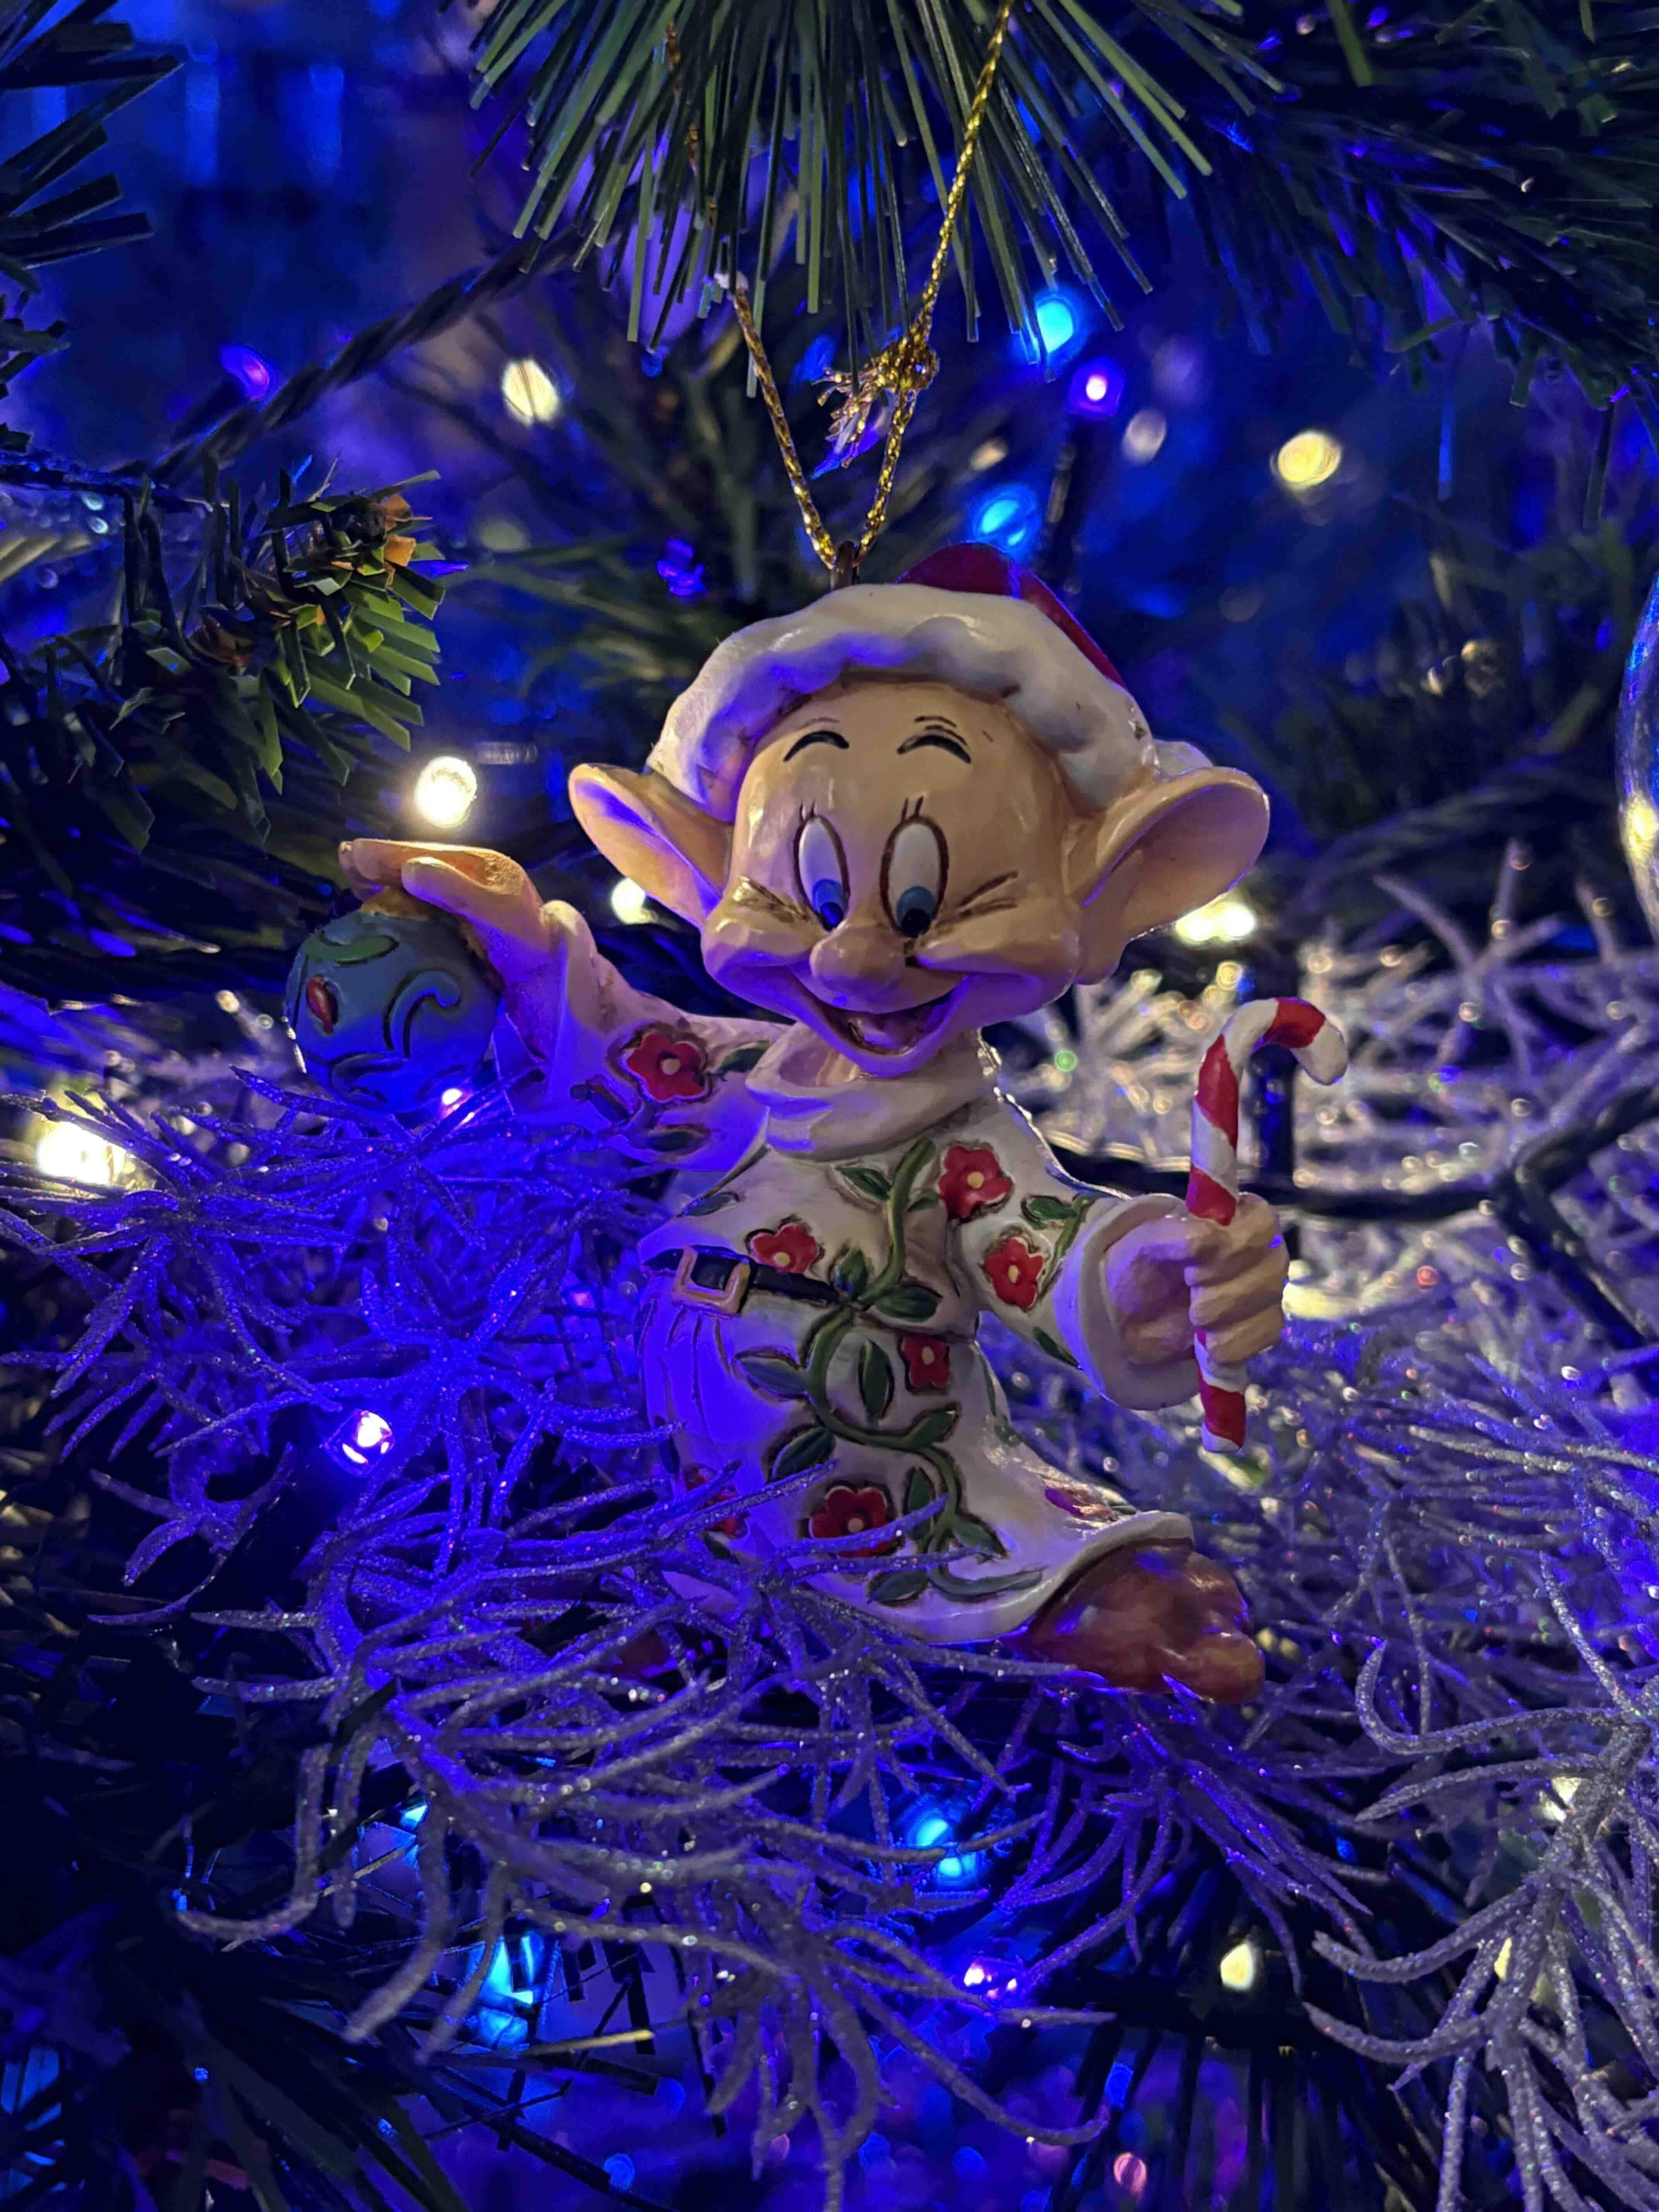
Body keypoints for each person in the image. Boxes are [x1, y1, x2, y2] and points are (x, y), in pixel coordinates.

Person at [342, 545, 1286, 1700]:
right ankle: (688, 1622)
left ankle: (1100, 1613)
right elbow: (629, 1055)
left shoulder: (960, 1154)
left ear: (1096, 893)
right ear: (710, 874)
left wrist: (1151, 1274)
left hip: (883, 1494)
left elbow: (1045, 1247)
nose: (854, 962)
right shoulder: (746, 1079)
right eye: (813, 900)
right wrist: (524, 952)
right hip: (686, 1475)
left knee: (977, 1578)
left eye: (932, 906)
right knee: (647, 1579)